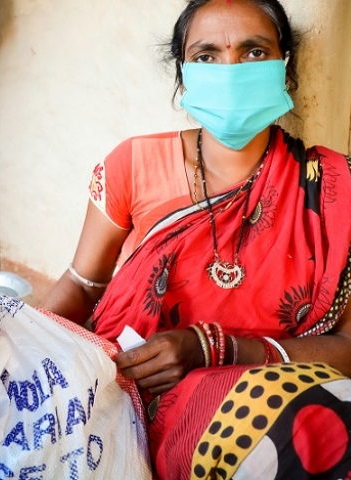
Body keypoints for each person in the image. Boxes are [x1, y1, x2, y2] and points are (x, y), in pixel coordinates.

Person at [41, 0, 351, 477]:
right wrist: (24, 356)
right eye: (206, 56)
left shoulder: (332, 187)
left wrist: (216, 350)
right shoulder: (133, 165)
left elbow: (347, 346)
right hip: (142, 397)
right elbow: (83, 286)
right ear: (184, 77)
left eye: (253, 52)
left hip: (275, 388)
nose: (229, 69)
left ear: (284, 69)